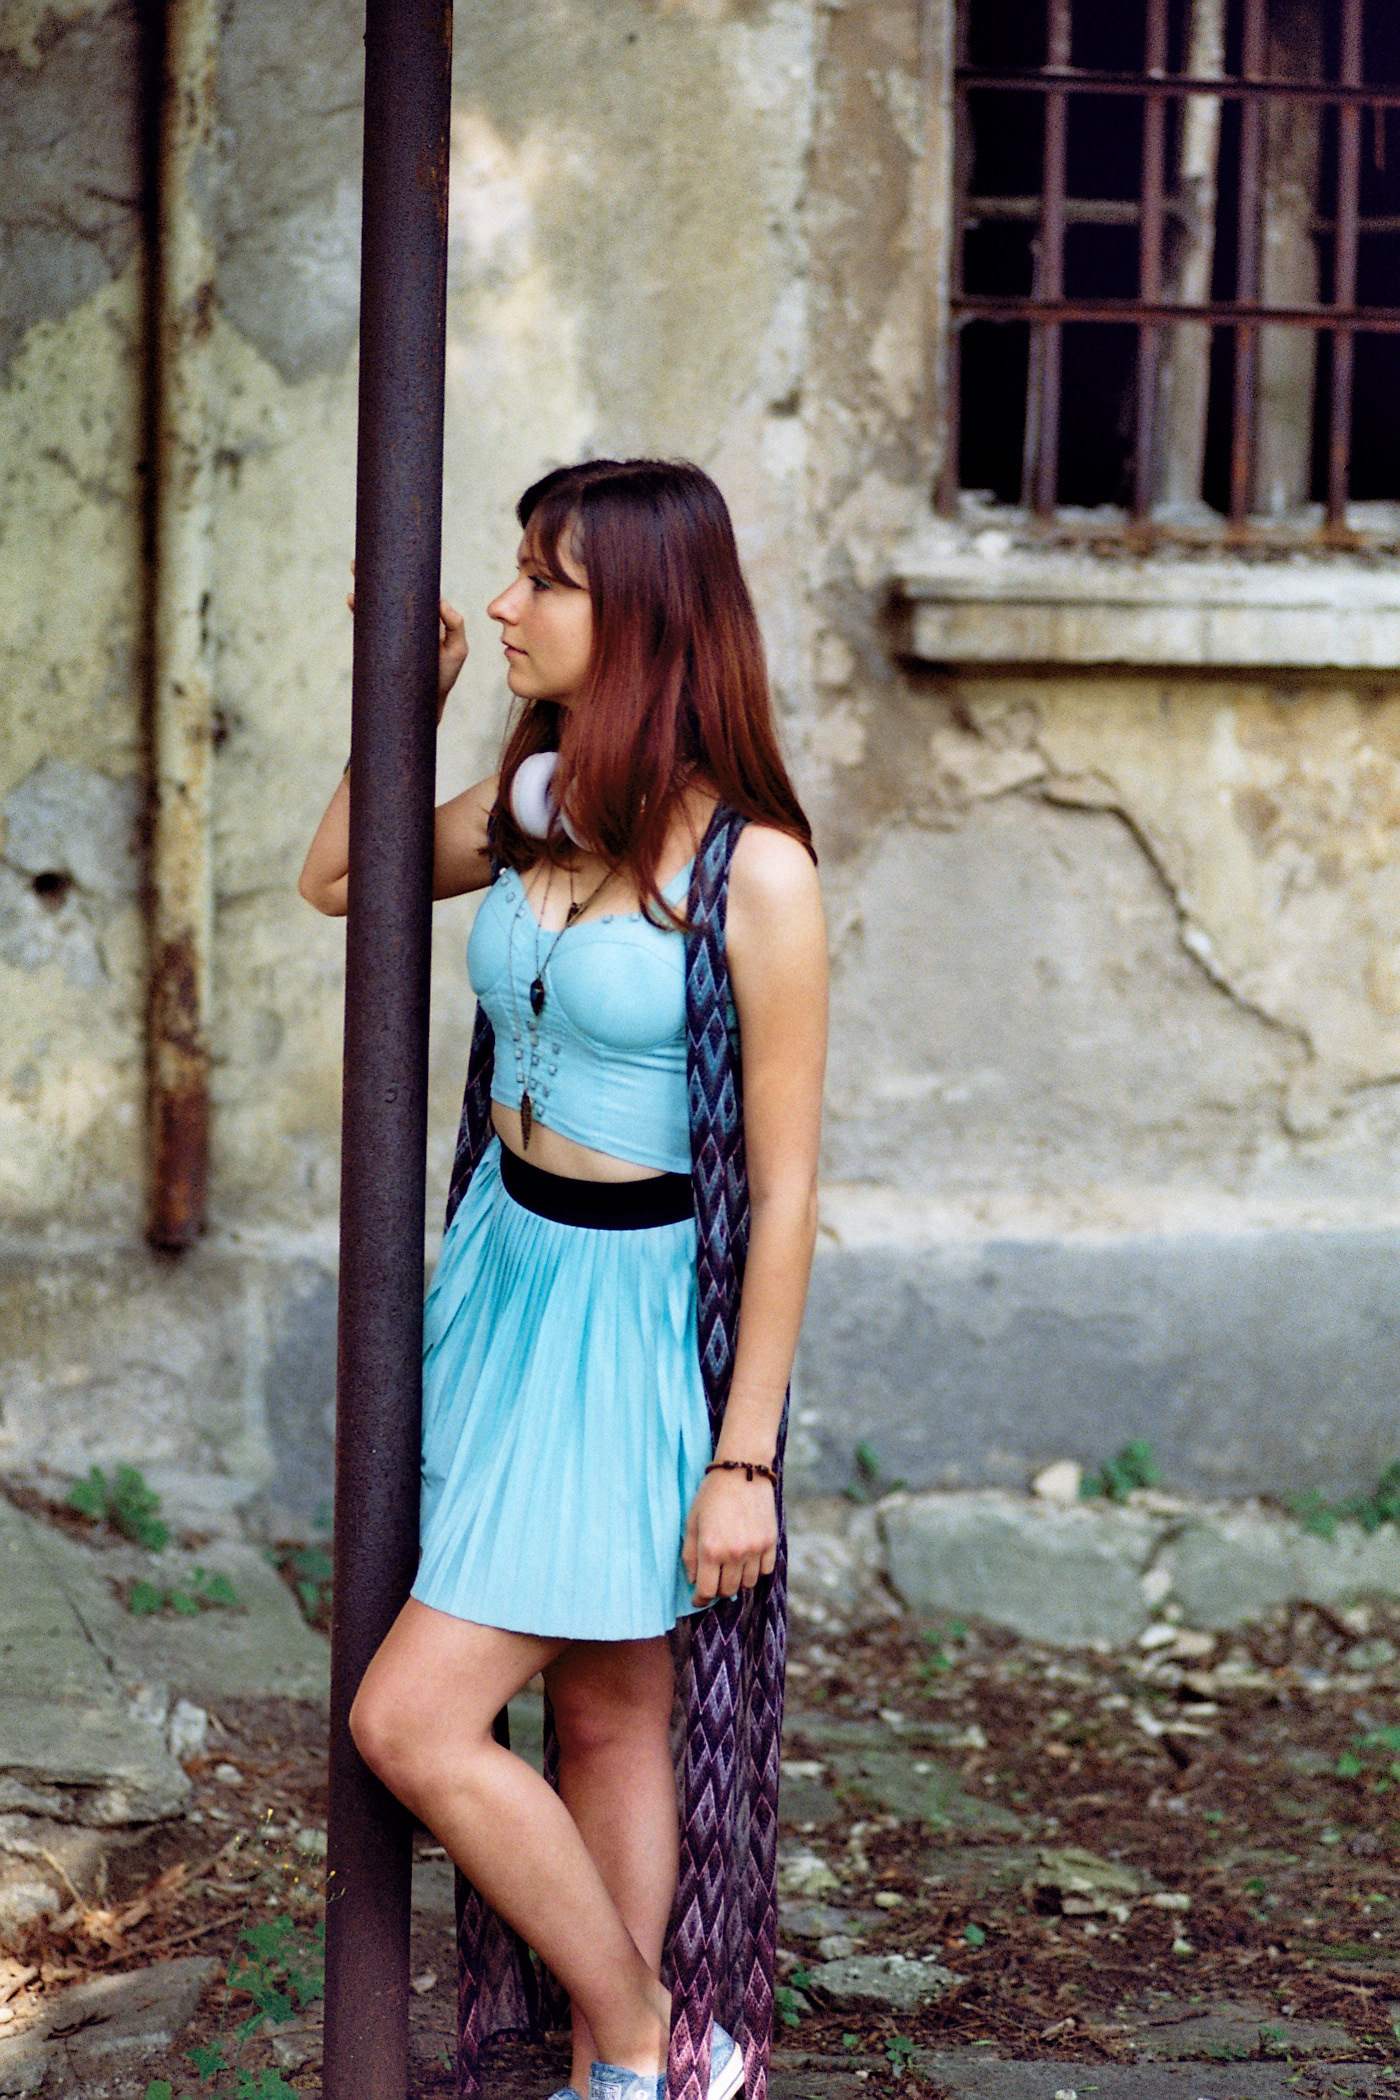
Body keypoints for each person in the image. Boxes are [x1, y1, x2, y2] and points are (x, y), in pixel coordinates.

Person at [299, 459, 827, 2100]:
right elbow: (341, 877)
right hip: (504, 1273)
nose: (506, 602)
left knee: (411, 1722)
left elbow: (787, 1193)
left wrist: (743, 1462)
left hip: (630, 1313)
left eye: (546, 579)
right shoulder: (542, 800)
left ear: (648, 617)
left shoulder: (755, 873)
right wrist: (406, 708)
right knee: (603, 1712)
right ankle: (630, 2071)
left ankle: (646, 2031)